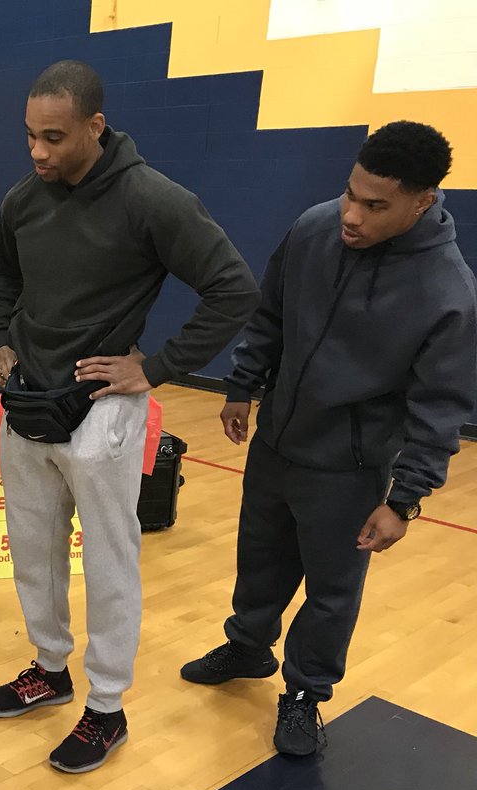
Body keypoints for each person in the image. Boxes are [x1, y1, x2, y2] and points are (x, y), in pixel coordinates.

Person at [0, 60, 260, 774]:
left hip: (104, 412)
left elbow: (234, 290)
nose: (38, 152)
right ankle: (49, 668)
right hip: (27, 406)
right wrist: (2, 339)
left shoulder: (153, 200)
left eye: (54, 137)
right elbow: (4, 274)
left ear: (94, 127)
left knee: (109, 562)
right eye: (29, 137)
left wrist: (157, 367)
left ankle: (106, 707)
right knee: (32, 549)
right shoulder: (22, 199)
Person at [181, 121, 477, 755]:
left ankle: (305, 693)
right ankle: (247, 647)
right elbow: (271, 314)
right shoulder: (315, 227)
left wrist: (403, 500)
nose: (352, 214)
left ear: (422, 201)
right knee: (259, 558)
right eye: (350, 193)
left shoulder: (446, 290)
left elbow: (441, 405)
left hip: (350, 466)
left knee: (331, 589)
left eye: (375, 206)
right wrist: (243, 385)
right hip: (277, 440)